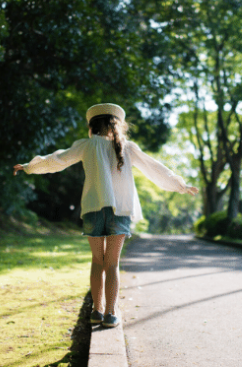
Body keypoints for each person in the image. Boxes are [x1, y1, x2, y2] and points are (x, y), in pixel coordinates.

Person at [13, 103, 198, 328]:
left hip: (93, 209)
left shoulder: (86, 145)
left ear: (92, 125)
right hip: (120, 211)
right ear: (118, 124)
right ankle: (111, 313)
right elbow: (155, 168)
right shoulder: (128, 147)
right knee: (112, 264)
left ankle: (96, 310)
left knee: (97, 261)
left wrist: (29, 167)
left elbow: (56, 160)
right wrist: (181, 185)